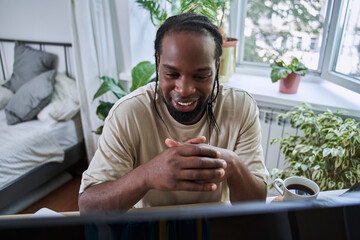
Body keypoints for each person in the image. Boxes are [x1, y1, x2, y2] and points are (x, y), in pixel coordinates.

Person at [79, 12, 269, 212]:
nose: (184, 89)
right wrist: (147, 175)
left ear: (217, 67)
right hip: (148, 226)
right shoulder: (129, 113)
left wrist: (232, 164)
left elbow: (255, 204)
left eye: (201, 76)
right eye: (171, 74)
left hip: (212, 224)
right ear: (158, 62)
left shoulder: (240, 107)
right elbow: (88, 207)